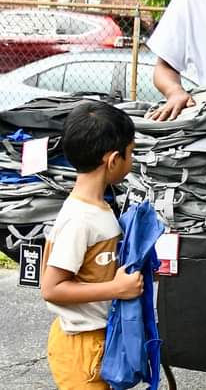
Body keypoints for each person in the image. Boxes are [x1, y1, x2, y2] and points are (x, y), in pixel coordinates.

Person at [41, 101, 144, 390]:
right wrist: (116, 289)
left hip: (99, 337)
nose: (132, 160)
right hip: (81, 346)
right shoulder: (79, 220)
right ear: (113, 161)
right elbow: (51, 289)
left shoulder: (100, 208)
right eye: (131, 153)